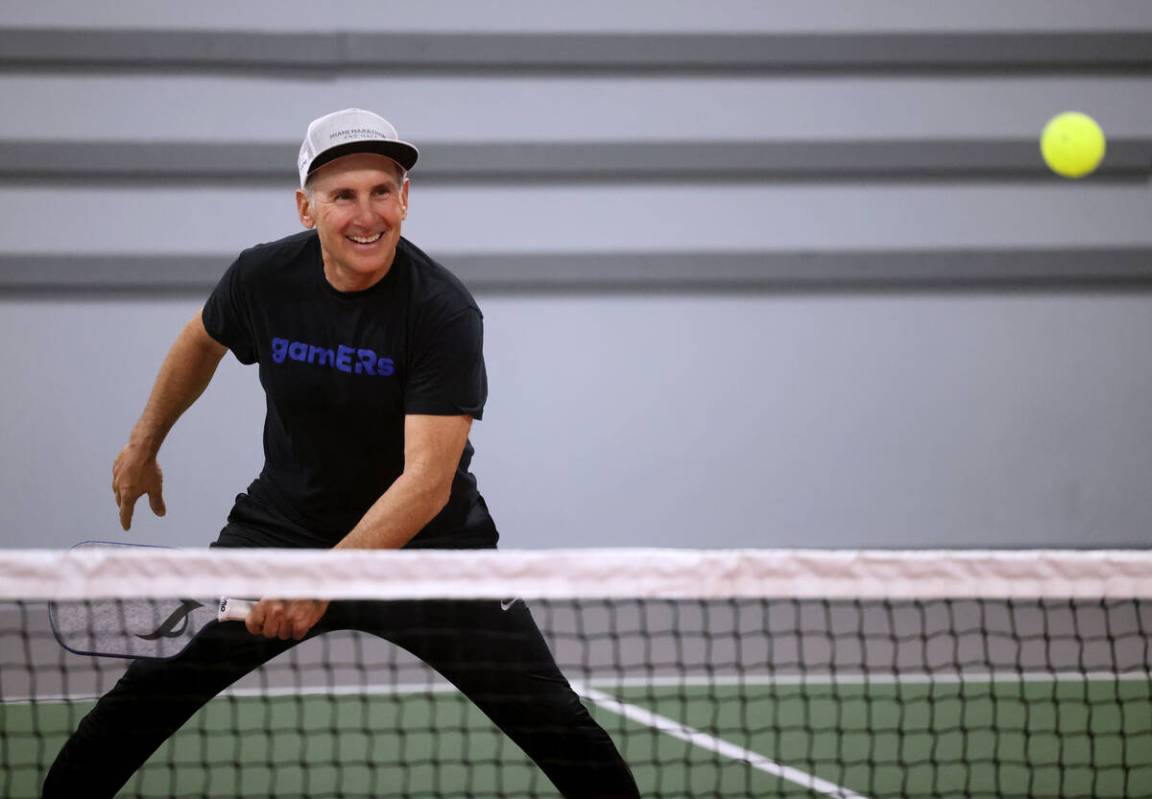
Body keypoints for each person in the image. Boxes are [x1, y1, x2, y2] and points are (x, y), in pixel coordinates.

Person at [42, 108, 640, 799]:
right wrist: (143, 442)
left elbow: (425, 482)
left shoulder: (442, 311)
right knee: (138, 705)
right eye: (344, 194)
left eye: (383, 191)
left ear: (405, 199)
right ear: (307, 208)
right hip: (284, 532)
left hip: (429, 550)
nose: (368, 213)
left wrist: (321, 582)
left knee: (562, 732)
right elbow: (200, 340)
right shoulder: (263, 278)